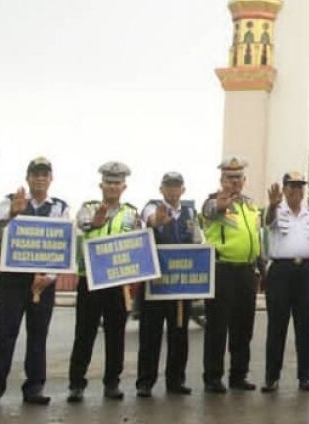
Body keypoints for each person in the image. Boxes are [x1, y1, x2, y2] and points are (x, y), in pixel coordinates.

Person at [0, 157, 70, 408]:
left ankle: (34, 388)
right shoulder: (11, 199)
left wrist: (49, 278)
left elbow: (64, 244)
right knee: (4, 334)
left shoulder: (60, 207)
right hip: (13, 280)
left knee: (38, 336)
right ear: (28, 178)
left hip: (44, 281)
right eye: (35, 174)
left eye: (45, 174)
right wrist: (13, 211)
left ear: (51, 179)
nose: (40, 178)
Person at [68, 161, 142, 402]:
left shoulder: (131, 212)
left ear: (124, 186)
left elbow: (137, 244)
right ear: (101, 184)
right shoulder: (88, 208)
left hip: (118, 283)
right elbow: (84, 225)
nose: (112, 186)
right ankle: (76, 384)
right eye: (109, 182)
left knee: (115, 334)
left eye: (117, 183)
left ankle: (112, 383)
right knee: (85, 333)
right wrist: (97, 222)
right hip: (89, 280)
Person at [136, 171, 202, 398]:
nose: (173, 190)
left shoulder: (191, 212)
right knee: (150, 335)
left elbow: (196, 241)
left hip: (180, 285)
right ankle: (145, 382)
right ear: (161, 189)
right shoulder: (151, 206)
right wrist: (158, 222)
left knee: (179, 334)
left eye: (176, 186)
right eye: (169, 186)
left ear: (183, 190)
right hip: (155, 283)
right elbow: (151, 219)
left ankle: (176, 381)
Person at [200, 156, 263, 393]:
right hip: (222, 269)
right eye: (229, 177)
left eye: (238, 178)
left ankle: (238, 375)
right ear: (222, 179)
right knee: (217, 327)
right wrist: (220, 204)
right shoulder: (212, 202)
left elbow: (256, 237)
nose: (234, 182)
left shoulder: (250, 205)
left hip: (247, 271)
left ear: (244, 180)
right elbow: (209, 212)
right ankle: (213, 378)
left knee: (243, 327)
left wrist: (260, 266)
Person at [262, 171, 309, 393]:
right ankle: (271, 377)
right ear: (284, 189)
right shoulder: (275, 211)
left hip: (305, 272)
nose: (296, 190)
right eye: (292, 186)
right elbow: (268, 223)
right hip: (281, 272)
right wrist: (272, 205)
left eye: (300, 186)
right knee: (277, 327)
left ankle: (305, 377)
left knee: (305, 327)